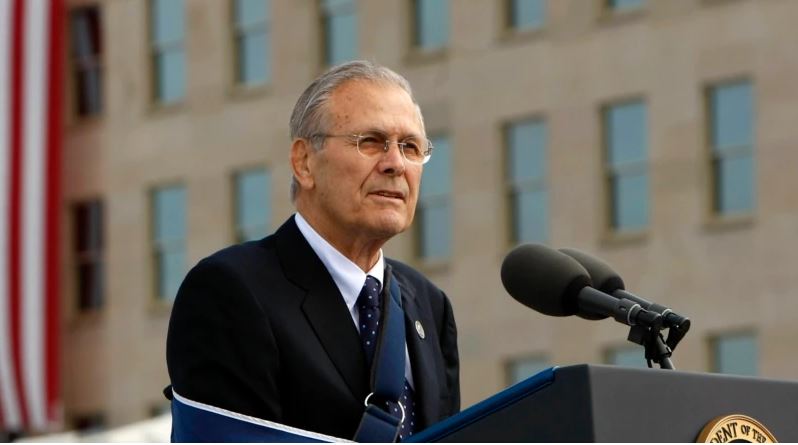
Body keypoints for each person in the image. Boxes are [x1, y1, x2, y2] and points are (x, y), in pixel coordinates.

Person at [165, 60, 460, 440]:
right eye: (371, 142)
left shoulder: (429, 305)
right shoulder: (231, 290)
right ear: (304, 162)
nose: (395, 164)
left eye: (411, 147)